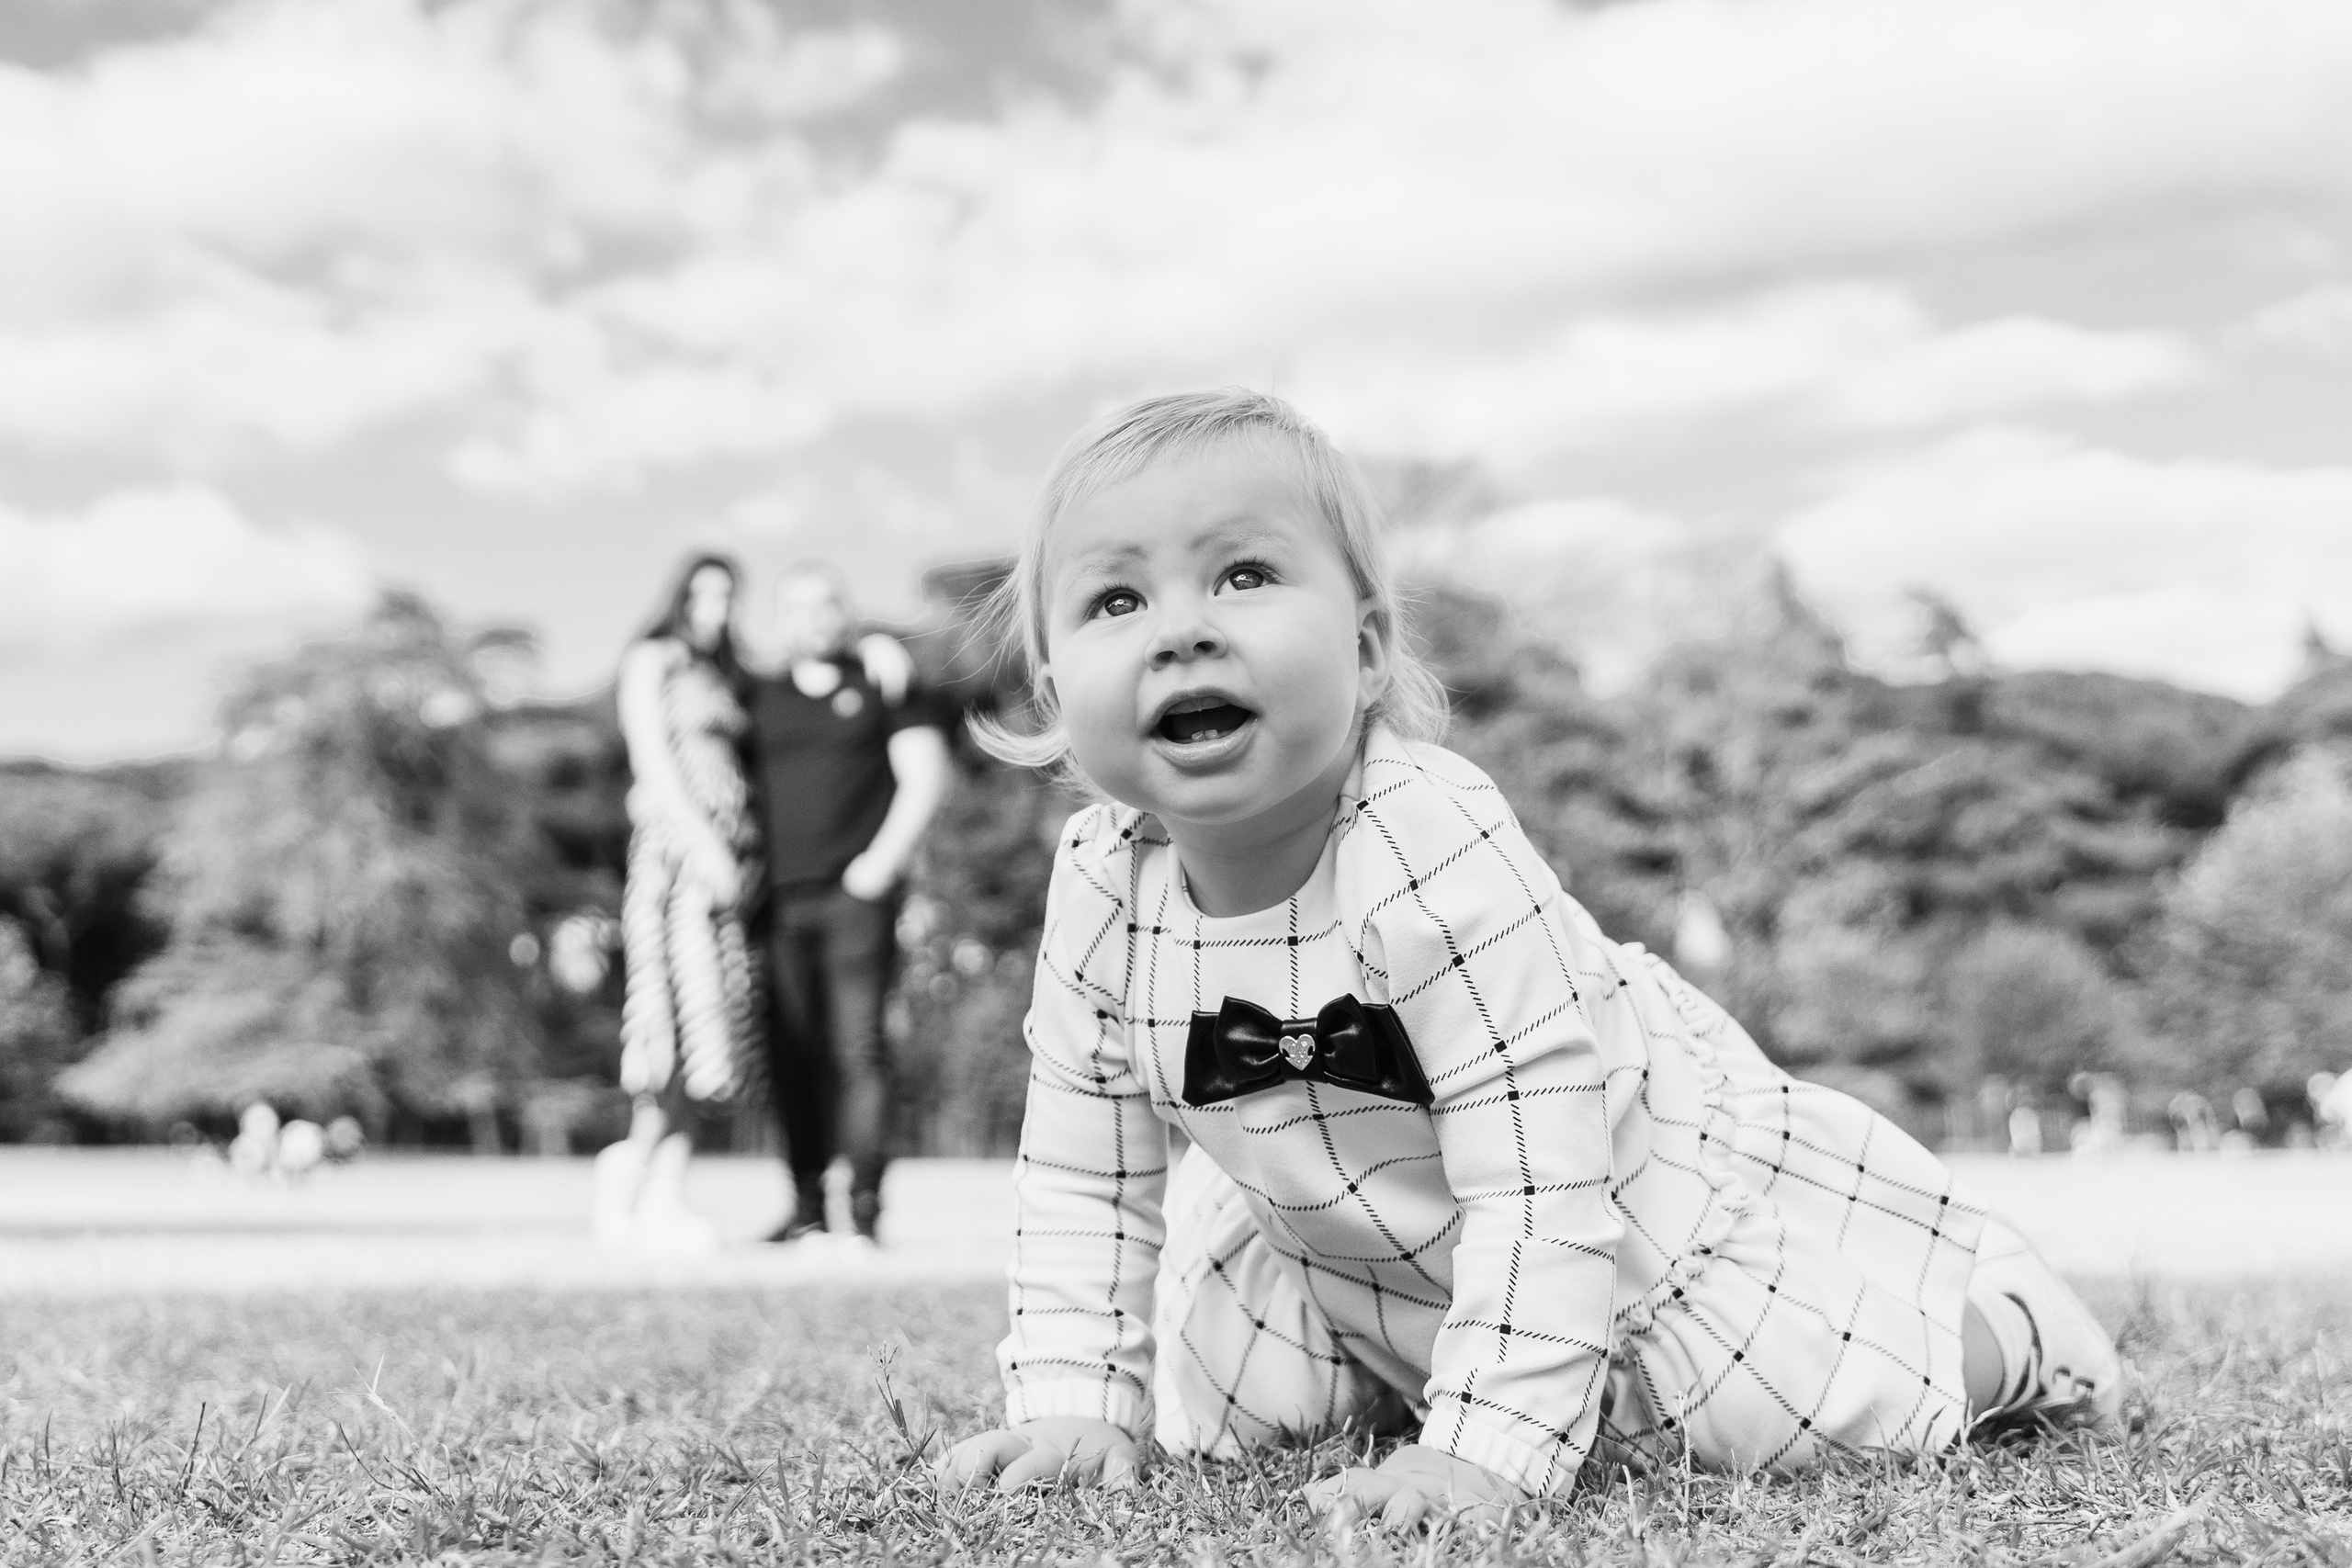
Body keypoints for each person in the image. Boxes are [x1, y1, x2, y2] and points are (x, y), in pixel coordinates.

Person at [935, 390, 2121, 1526]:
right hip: (1348, 1241)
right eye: (1115, 600)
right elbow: (1085, 1176)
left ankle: (2003, 1335)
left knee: (1779, 1409)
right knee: (1249, 1410)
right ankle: (1430, 1362)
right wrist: (1077, 1404)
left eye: (1244, 574)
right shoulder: (1103, 879)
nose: (1183, 625)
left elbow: (1538, 1179)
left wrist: (1483, 1451)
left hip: (1609, 1204)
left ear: (1365, 651)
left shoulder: (1426, 844)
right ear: (1051, 685)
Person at [746, 564, 952, 1247]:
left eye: (825, 604)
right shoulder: (759, 695)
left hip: (855, 899)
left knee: (860, 1050)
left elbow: (924, 774)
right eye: (796, 607)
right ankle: (805, 1208)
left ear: (846, 612)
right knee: (790, 1054)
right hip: (774, 903)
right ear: (781, 622)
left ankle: (863, 1210)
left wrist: (878, 867)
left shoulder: (884, 683)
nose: (813, 618)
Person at [594, 553, 764, 1250]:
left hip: (727, 866)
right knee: (666, 1020)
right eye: (705, 593)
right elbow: (653, 761)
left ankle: (667, 1197)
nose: (717, 607)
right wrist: (703, 845)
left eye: (728, 594)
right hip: (677, 861)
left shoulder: (725, 675)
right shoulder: (653, 659)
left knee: (710, 1031)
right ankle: (626, 1178)